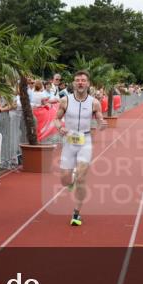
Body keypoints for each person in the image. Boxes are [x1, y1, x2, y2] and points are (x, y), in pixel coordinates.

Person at [56, 70, 105, 227]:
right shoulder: (65, 101)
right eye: (77, 80)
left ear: (88, 83)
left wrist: (102, 124)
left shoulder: (94, 102)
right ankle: (70, 182)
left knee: (81, 179)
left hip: (85, 141)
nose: (80, 83)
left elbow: (100, 119)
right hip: (69, 141)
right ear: (73, 83)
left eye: (83, 80)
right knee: (64, 180)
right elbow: (56, 119)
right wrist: (60, 128)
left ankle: (76, 213)